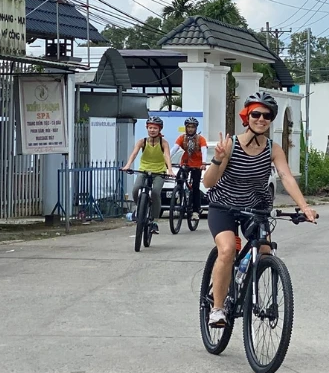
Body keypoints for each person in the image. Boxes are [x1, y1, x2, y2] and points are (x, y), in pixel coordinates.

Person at [202, 91, 317, 328]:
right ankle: (217, 309)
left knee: (265, 250)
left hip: (256, 208)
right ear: (247, 116)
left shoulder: (273, 149)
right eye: (256, 114)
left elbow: (286, 177)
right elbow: (208, 183)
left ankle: (245, 272)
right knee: (226, 251)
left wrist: (304, 207)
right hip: (223, 205)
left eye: (266, 116)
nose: (261, 119)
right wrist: (217, 159)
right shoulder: (231, 145)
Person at [122, 116, 174, 234]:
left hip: (159, 172)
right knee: (135, 190)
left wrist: (169, 170)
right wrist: (128, 165)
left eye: (155, 128)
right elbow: (134, 154)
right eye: (150, 128)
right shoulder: (142, 141)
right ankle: (138, 210)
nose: (152, 130)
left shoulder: (163, 143)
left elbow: (166, 156)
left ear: (159, 129)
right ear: (147, 128)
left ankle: (154, 220)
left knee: (155, 192)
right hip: (144, 170)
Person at [170, 117, 208, 222]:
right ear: (186, 128)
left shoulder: (200, 139)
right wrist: (167, 159)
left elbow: (204, 150)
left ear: (196, 128)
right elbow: (175, 148)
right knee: (179, 177)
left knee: (195, 187)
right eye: (189, 127)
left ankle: (196, 211)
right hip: (186, 162)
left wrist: (203, 163)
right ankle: (180, 193)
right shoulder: (182, 138)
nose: (190, 129)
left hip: (197, 164)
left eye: (193, 127)